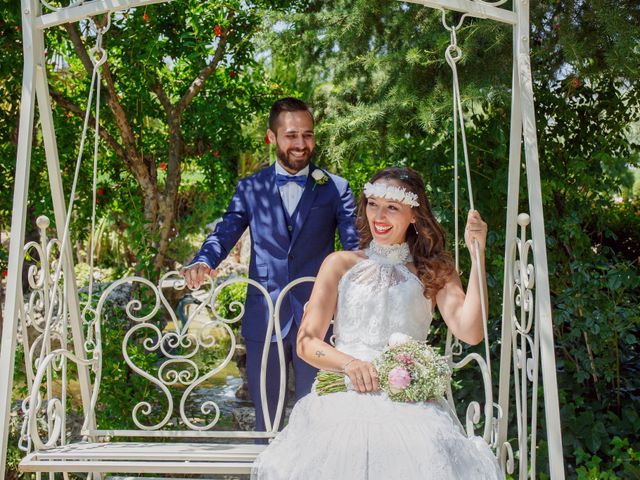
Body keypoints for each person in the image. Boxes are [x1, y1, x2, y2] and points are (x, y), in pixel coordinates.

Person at [251, 167, 503, 479]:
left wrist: (477, 256)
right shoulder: (340, 265)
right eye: (373, 204)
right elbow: (307, 343)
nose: (379, 216)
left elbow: (471, 331)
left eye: (392, 207)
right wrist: (349, 364)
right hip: (343, 396)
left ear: (414, 214)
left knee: (419, 450)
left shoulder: (434, 270)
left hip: (410, 401)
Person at [181, 98, 360, 432]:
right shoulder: (251, 188)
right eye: (291, 135)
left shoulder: (336, 188)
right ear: (271, 137)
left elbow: (355, 248)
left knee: (321, 418)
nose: (301, 144)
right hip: (265, 316)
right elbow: (225, 233)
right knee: (268, 421)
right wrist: (204, 260)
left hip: (319, 320)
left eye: (307, 135)